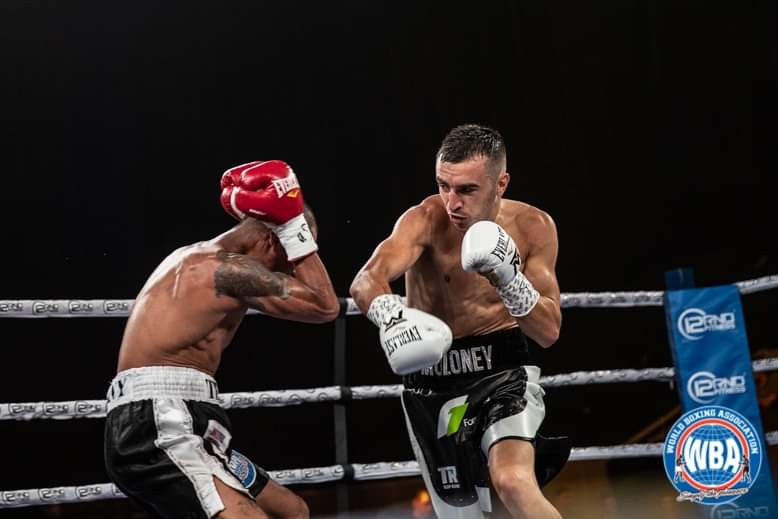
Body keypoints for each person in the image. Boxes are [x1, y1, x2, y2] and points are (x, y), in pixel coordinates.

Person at [104, 160, 340, 519]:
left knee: (292, 511)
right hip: (161, 421)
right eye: (291, 253)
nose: (292, 268)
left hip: (184, 417)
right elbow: (325, 306)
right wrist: (293, 225)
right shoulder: (228, 270)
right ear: (269, 237)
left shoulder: (194, 256)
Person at [350, 125, 565, 519]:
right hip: (432, 383)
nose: (452, 202)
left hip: (503, 371)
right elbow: (366, 279)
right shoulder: (425, 218)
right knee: (462, 513)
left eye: (466, 189)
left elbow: (548, 331)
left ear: (501, 183)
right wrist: (390, 315)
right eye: (443, 186)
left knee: (513, 480)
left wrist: (509, 279)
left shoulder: (534, 227)